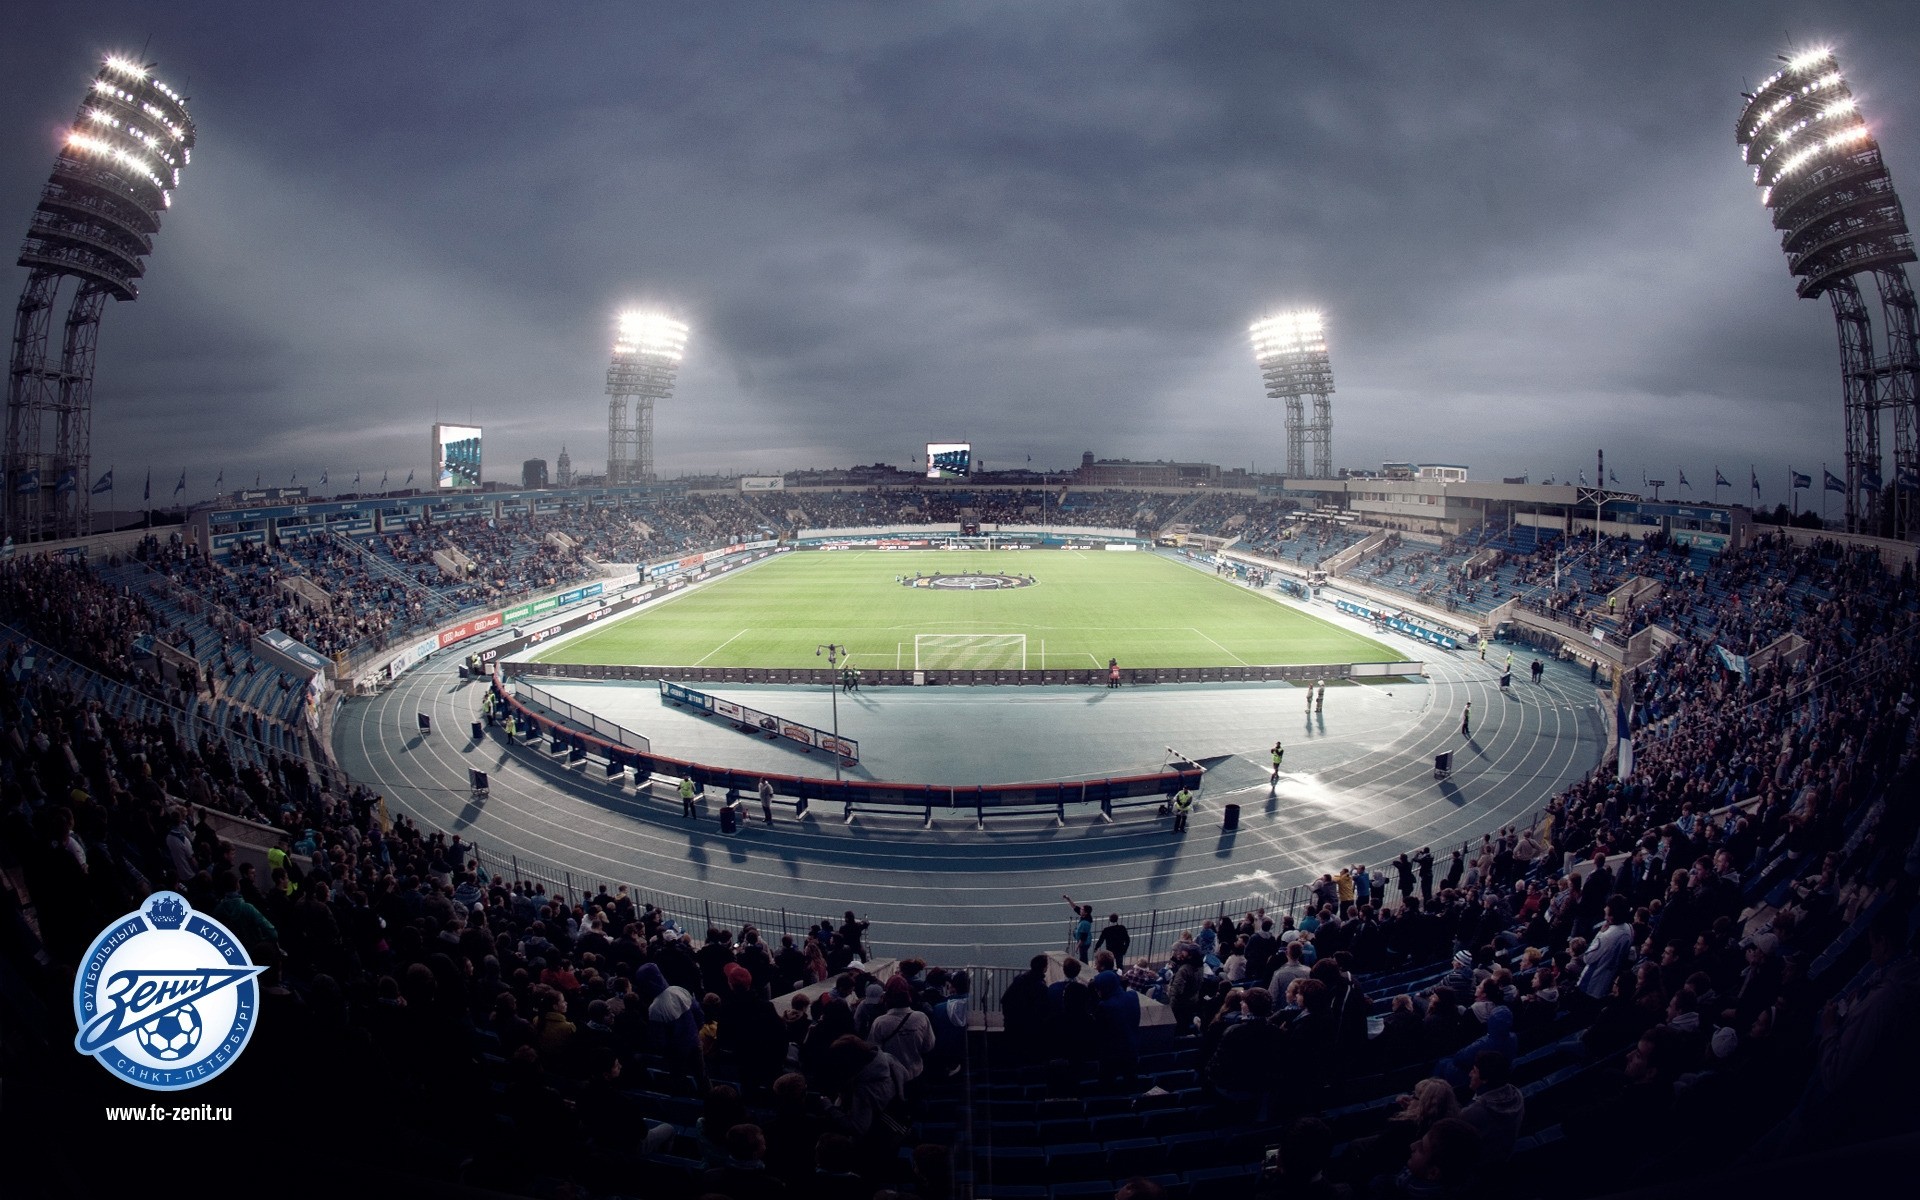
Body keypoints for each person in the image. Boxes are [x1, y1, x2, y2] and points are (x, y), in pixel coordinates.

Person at [1062, 896, 1094, 960]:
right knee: (1083, 957)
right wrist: (1068, 899)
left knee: (1083, 958)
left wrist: (1077, 946)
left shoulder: (1085, 923)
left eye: (1082, 909)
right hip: (1084, 942)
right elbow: (1075, 907)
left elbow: (1083, 938)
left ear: (1085, 912)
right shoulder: (1085, 916)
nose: (1080, 910)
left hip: (1084, 943)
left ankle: (1085, 969)